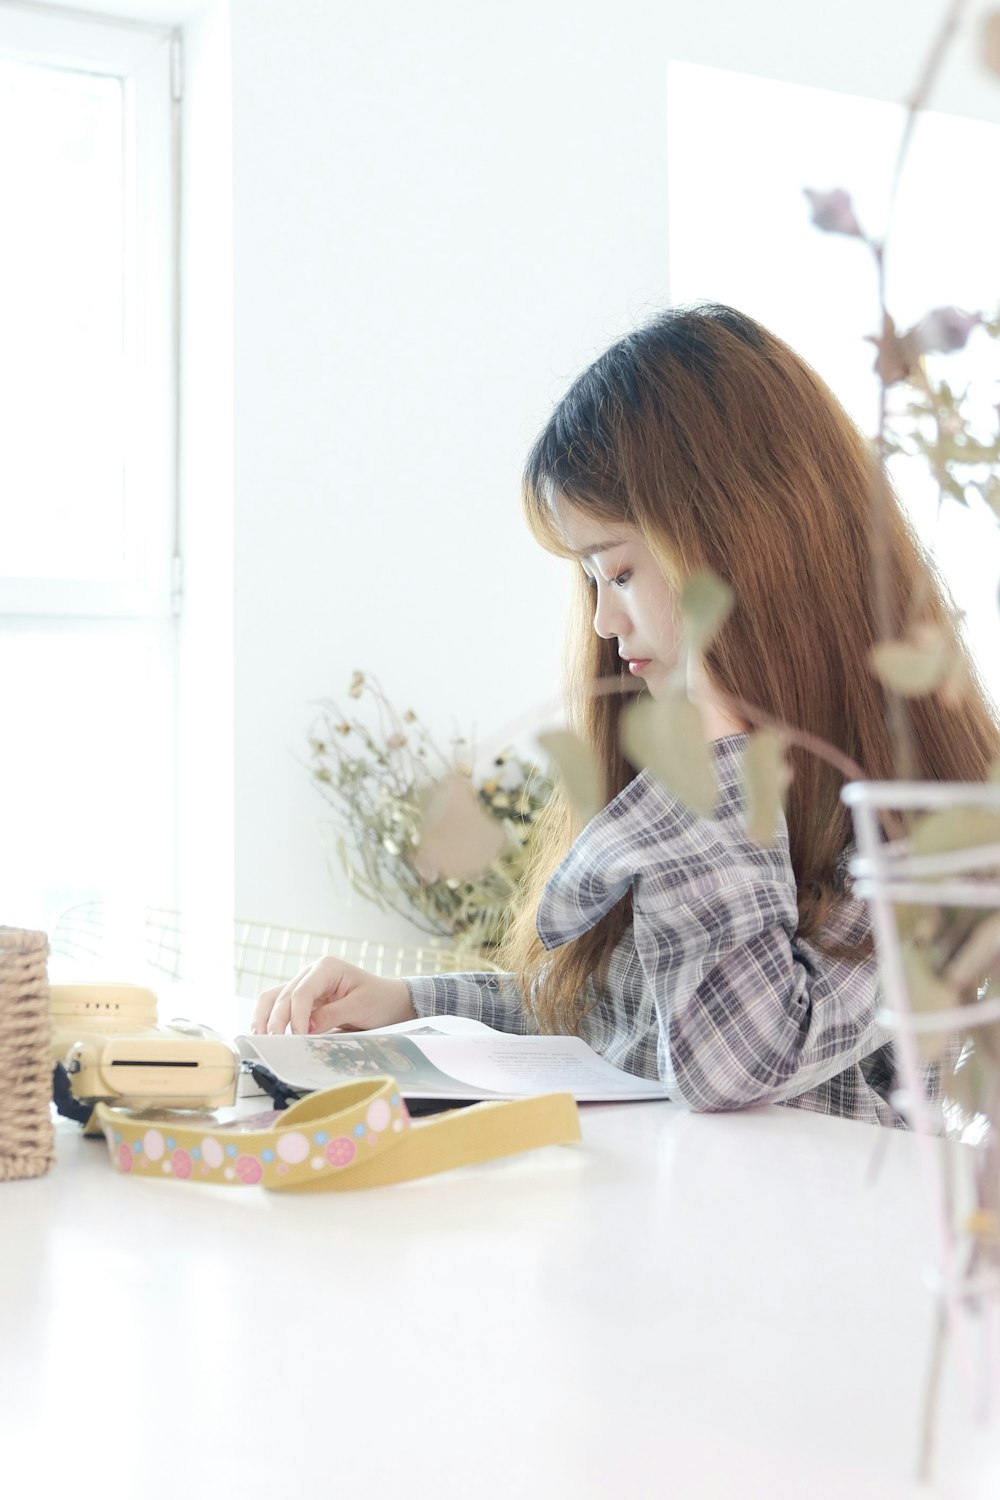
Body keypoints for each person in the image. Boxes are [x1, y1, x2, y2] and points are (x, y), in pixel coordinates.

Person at [252, 303, 999, 1126]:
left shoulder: (935, 832)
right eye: (591, 581)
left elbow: (735, 1062)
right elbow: (624, 1018)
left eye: (620, 571)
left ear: (739, 548)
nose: (605, 622)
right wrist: (405, 1001)